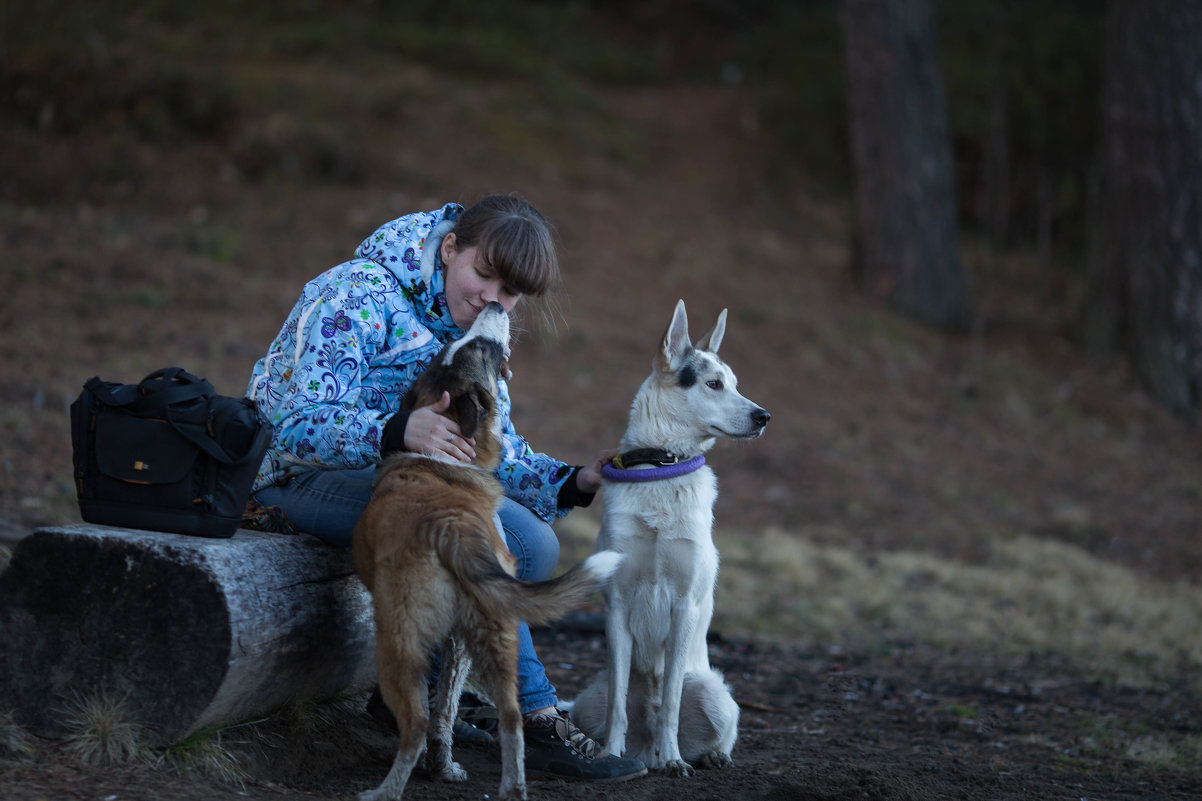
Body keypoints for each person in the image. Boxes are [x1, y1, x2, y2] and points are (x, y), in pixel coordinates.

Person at [244, 194, 646, 783]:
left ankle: (413, 696)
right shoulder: (357, 292)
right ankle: (534, 717)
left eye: (509, 293)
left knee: (534, 545)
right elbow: (290, 423)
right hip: (294, 475)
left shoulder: (482, 331)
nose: (492, 299)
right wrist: (398, 428)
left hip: (403, 482)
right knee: (486, 532)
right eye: (483, 275)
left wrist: (575, 479)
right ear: (451, 246)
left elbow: (491, 447)